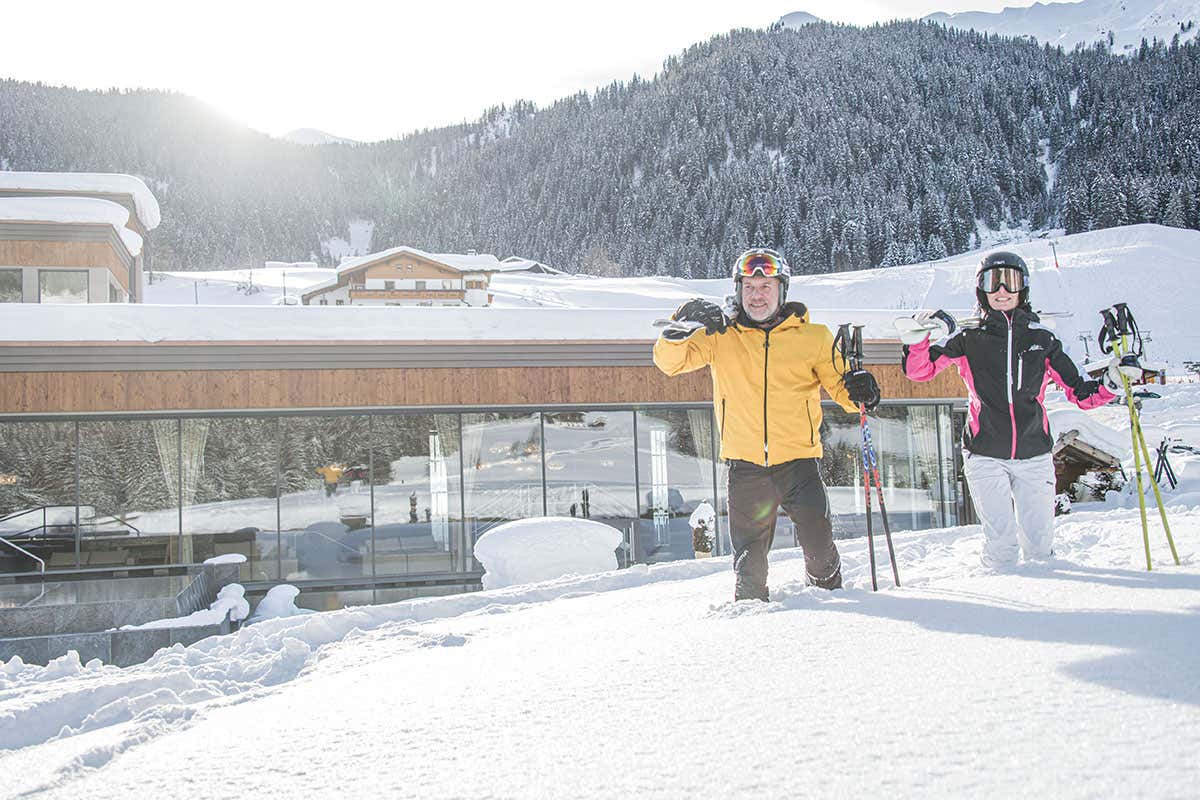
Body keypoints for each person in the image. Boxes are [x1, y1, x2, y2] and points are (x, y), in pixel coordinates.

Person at [653, 247, 881, 601]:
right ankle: (751, 633)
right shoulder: (720, 336)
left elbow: (846, 393)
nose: (757, 296)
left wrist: (862, 390)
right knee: (749, 570)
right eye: (749, 288)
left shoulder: (814, 338)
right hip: (745, 467)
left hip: (799, 463)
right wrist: (678, 328)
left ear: (781, 290)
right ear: (739, 290)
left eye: (765, 287)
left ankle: (830, 601)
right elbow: (670, 363)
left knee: (819, 550)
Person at [901, 250, 1138, 568]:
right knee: (1001, 548)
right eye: (992, 281)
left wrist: (1112, 381)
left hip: (1034, 456)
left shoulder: (1042, 340)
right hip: (984, 454)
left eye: (1009, 281)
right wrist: (917, 340)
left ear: (1022, 288)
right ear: (981, 290)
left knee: (1040, 549)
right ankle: (1007, 608)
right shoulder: (969, 338)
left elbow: (1081, 394)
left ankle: (1045, 610)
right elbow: (919, 371)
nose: (1001, 290)